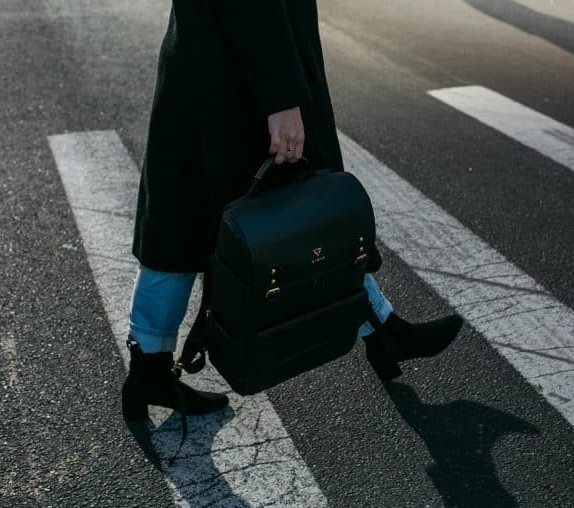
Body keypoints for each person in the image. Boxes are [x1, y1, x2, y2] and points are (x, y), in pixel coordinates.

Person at [122, 1, 464, 421]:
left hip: (212, 61)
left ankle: (149, 368)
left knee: (183, 222)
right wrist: (281, 97)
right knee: (304, 214)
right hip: (240, 75)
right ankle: (382, 330)